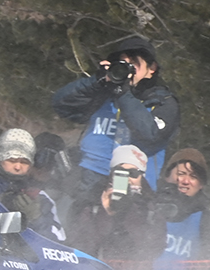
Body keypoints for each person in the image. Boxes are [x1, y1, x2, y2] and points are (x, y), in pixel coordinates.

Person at [51, 35, 179, 195]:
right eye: (123, 64)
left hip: (134, 182)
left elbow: (151, 133)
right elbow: (61, 105)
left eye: (134, 64)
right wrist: (97, 81)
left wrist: (124, 93)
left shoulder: (162, 102)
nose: (128, 70)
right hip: (88, 179)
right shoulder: (104, 94)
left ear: (151, 68)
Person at [67, 144, 165, 270]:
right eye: (120, 172)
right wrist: (106, 212)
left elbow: (153, 248)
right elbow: (81, 247)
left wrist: (130, 210)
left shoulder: (151, 208)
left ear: (142, 176)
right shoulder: (92, 202)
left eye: (133, 173)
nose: (127, 179)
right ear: (111, 174)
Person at [0, 129, 65, 240]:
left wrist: (36, 218)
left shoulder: (41, 198)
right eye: (12, 160)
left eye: (24, 162)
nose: (18, 167)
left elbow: (56, 245)